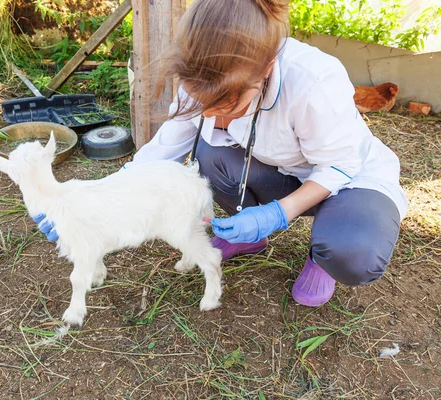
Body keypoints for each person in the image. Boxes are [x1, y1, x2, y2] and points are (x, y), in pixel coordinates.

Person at [36, 0, 407, 307]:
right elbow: (164, 150)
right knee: (207, 152)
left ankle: (323, 255)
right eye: (204, 103)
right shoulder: (205, 73)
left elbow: (338, 167)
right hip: (282, 170)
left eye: (228, 105)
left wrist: (278, 213)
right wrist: (91, 199)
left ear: (266, 70)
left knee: (352, 252)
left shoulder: (314, 81)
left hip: (350, 180)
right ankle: (249, 235)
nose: (211, 114)